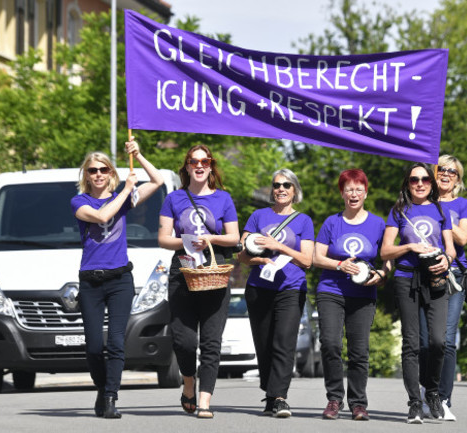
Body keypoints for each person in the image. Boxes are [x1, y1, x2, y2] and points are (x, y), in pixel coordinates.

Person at [71, 139, 163, 418]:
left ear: (111, 173)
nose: (98, 174)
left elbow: (157, 180)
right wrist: (125, 190)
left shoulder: (123, 197)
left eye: (103, 169)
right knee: (93, 346)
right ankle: (102, 387)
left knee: (116, 341)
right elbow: (101, 216)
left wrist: (138, 154)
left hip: (120, 279)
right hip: (90, 281)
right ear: (85, 176)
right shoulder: (79, 201)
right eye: (92, 170)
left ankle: (111, 397)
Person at [158, 145, 240, 419]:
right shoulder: (174, 198)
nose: (200, 165)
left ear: (211, 166)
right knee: (184, 340)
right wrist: (186, 241)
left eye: (205, 161)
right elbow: (163, 238)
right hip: (182, 272)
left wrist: (210, 239)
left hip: (215, 273)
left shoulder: (223, 199)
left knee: (211, 341)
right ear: (187, 166)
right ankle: (189, 383)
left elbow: (234, 238)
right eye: (194, 161)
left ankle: (204, 400)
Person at [313, 169, 392, 421]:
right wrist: (339, 265)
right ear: (342, 193)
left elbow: (388, 258)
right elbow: (316, 257)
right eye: (349, 189)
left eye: (359, 189)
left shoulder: (378, 224)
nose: (354, 194)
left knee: (359, 351)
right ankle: (334, 399)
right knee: (331, 344)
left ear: (366, 193)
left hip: (363, 295)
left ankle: (358, 403)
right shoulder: (331, 222)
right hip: (331, 291)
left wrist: (382, 273)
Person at [380, 162, 456, 424]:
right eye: (414, 179)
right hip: (405, 278)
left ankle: (432, 391)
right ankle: (414, 402)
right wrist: (409, 246)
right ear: (407, 183)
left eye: (425, 179)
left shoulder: (440, 209)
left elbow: (451, 248)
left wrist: (446, 259)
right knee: (411, 344)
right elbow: (386, 251)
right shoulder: (398, 210)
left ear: (431, 183)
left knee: (438, 341)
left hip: (436, 278)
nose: (420, 183)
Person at [237, 169, 314, 418]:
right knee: (264, 343)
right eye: (276, 185)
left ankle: (280, 397)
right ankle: (270, 393)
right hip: (259, 288)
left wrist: (278, 246)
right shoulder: (258, 215)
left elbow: (307, 260)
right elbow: (242, 254)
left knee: (284, 342)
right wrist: (257, 259)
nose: (280, 189)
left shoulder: (303, 220)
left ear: (295, 191)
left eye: (286, 185)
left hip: (290, 288)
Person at [418, 155, 467, 421]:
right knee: (426, 341)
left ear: (458, 179)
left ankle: (443, 398)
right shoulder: (419, 200)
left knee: (447, 340)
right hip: (423, 274)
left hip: (453, 276)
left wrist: (438, 215)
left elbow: (462, 237)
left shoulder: (463, 205)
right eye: (441, 169)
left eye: (453, 171)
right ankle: (426, 390)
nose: (446, 174)